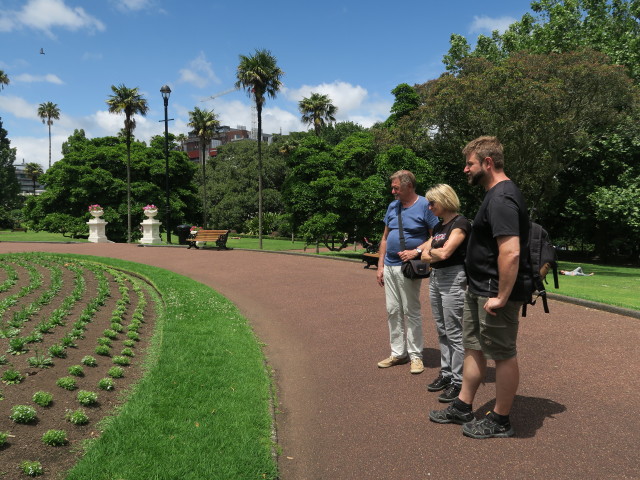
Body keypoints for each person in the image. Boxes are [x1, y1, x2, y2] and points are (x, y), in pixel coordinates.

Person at [429, 136, 531, 439]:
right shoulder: (493, 195)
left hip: (493, 293)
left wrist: (501, 296)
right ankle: (463, 406)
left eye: (469, 163)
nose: (465, 169)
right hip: (478, 288)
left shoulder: (502, 198)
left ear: (487, 163)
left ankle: (501, 420)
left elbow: (510, 251)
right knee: (473, 347)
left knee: (502, 353)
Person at [377, 170, 439, 374]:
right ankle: (398, 353)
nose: (392, 190)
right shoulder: (392, 206)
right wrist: (380, 266)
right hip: (390, 265)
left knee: (411, 311)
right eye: (392, 186)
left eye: (396, 187)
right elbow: (385, 238)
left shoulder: (425, 205)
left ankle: (415, 356)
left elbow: (436, 237)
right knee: (392, 310)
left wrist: (417, 251)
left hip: (409, 267)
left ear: (409, 186)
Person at [419, 184, 471, 402]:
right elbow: (424, 254)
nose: (429, 207)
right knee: (442, 329)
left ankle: (459, 381)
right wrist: (433, 253)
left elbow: (447, 252)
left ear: (445, 200)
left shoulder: (461, 223)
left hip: (453, 277)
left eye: (432, 203)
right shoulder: (440, 227)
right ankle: (447, 373)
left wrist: (431, 252)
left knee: (454, 330)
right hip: (436, 277)